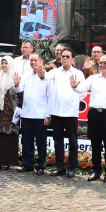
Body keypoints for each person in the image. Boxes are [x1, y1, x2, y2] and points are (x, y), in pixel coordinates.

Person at [73, 55, 106, 182]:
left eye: (105, 63)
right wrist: (74, 87)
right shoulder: (93, 78)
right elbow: (81, 88)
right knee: (95, 143)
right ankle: (96, 171)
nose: (102, 65)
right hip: (94, 113)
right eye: (100, 63)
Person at [40, 46, 85, 178]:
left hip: (70, 112)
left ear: (73, 59)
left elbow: (82, 93)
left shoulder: (78, 73)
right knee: (58, 141)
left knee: (73, 141)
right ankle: (60, 167)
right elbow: (45, 77)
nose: (64, 58)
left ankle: (71, 168)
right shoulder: (56, 71)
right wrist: (41, 73)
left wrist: (72, 98)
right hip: (56, 112)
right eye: (63, 56)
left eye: (67, 56)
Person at [17, 52, 52, 175]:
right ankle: (27, 165)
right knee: (26, 141)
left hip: (40, 116)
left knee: (41, 142)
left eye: (35, 60)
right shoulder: (26, 75)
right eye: (31, 60)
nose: (33, 62)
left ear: (41, 62)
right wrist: (16, 84)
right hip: (26, 114)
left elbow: (50, 97)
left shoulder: (47, 77)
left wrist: (48, 115)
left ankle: (41, 165)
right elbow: (19, 89)